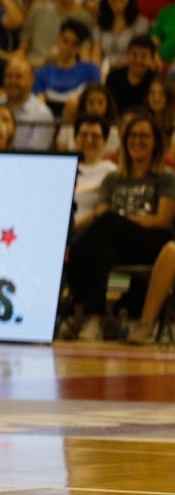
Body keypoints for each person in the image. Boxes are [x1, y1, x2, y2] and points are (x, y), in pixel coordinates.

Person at [64, 112, 175, 341]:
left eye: (144, 136)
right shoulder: (112, 179)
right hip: (114, 239)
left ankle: (86, 315)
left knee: (104, 226)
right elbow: (103, 213)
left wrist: (125, 219)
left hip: (152, 241)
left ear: (155, 142)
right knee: (86, 246)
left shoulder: (165, 178)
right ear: (124, 141)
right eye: (132, 135)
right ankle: (93, 317)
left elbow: (162, 220)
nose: (137, 141)